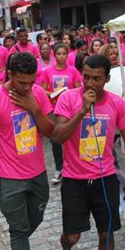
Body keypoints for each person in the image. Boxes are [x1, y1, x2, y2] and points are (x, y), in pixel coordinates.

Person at [52, 55, 125, 250]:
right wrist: (81, 111)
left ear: (107, 79)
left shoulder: (116, 103)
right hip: (74, 179)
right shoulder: (68, 99)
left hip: (105, 178)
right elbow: (58, 136)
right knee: (72, 236)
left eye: (96, 79)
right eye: (86, 77)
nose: (89, 83)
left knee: (106, 233)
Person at [0, 52, 54, 250]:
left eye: (31, 82)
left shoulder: (38, 94)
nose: (27, 87)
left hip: (38, 173)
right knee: (19, 229)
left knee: (36, 219)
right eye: (22, 82)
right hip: (10, 178)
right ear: (10, 74)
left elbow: (50, 132)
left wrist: (35, 108)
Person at [41, 43, 82, 185]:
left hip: (70, 109)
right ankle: (59, 168)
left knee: (72, 137)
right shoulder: (47, 71)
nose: (62, 57)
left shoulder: (73, 71)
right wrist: (51, 93)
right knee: (56, 139)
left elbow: (78, 89)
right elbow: (43, 90)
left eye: (64, 54)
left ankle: (74, 165)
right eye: (59, 54)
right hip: (54, 109)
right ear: (54, 55)